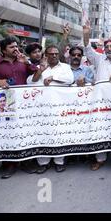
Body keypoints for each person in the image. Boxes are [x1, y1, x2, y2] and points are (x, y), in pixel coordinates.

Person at [82, 21, 111, 171]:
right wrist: (86, 32)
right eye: (106, 46)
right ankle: (100, 159)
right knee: (100, 128)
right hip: (100, 101)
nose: (109, 49)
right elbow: (87, 48)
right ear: (103, 49)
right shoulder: (98, 58)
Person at [0, 36, 39, 178]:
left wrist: (27, 62)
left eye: (16, 46)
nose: (16, 49)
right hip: (7, 105)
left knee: (24, 132)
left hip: (25, 105)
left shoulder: (23, 61)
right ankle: (9, 165)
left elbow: (37, 73)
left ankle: (26, 162)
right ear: (4, 50)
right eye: (12, 47)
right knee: (8, 133)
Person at [27, 45, 74, 173]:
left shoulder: (64, 67)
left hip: (60, 107)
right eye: (51, 54)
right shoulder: (40, 67)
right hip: (43, 109)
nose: (54, 56)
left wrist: (53, 78)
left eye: (56, 53)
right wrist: (40, 71)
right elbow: (30, 82)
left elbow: (70, 79)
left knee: (58, 134)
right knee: (42, 134)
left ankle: (59, 161)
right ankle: (43, 163)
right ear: (45, 55)